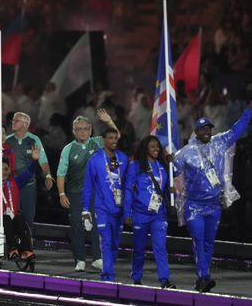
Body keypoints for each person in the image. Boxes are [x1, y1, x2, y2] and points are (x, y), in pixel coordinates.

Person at [172, 95, 252, 293]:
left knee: (209, 243)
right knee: (199, 240)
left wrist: (250, 111)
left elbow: (237, 130)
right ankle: (204, 277)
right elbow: (177, 181)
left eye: (209, 128)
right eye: (203, 128)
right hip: (194, 206)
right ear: (196, 132)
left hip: (213, 205)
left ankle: (201, 277)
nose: (207, 131)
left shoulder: (219, 143)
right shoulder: (184, 154)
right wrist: (177, 200)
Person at [56, 111, 114, 272]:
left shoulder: (97, 143)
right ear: (73, 131)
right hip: (75, 193)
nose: (82, 131)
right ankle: (80, 259)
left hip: (96, 193)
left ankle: (97, 258)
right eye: (79, 129)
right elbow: (61, 174)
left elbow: (117, 136)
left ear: (90, 130)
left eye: (85, 129)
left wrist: (109, 121)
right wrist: (62, 194)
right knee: (77, 226)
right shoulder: (68, 149)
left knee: (97, 225)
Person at [124, 135, 175, 288]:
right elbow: (128, 189)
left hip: (159, 214)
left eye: (157, 147)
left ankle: (165, 280)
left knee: (160, 246)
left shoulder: (162, 165)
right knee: (139, 248)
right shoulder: (136, 166)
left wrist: (172, 162)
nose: (156, 149)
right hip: (140, 214)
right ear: (145, 148)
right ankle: (137, 277)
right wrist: (127, 213)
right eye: (152, 146)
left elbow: (172, 178)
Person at [82, 124, 130, 282]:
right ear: (103, 140)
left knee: (115, 244)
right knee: (107, 241)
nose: (114, 140)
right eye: (110, 138)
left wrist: (129, 209)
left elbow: (128, 185)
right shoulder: (95, 160)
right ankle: (108, 275)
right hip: (102, 208)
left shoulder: (122, 158)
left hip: (119, 209)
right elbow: (88, 186)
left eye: (115, 138)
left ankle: (109, 267)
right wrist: (85, 210)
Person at [5, 111, 53, 230]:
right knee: (10, 216)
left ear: (25, 125)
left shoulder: (34, 140)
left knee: (28, 217)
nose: (13, 122)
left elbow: (43, 160)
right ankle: (11, 244)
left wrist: (47, 175)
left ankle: (27, 244)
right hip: (10, 185)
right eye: (13, 120)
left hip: (28, 185)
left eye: (16, 121)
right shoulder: (7, 140)